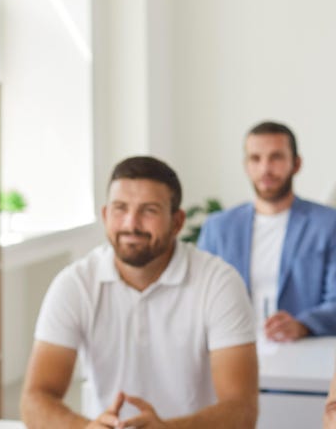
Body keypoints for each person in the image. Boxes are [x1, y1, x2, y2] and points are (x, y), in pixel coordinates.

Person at [21, 156, 258, 429]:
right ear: (105, 215)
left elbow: (242, 409)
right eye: (120, 208)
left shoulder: (219, 283)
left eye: (149, 211)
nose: (131, 224)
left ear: (177, 222)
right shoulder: (74, 284)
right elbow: (35, 399)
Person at [198, 121, 336, 342]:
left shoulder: (328, 224)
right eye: (255, 158)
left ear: (296, 164)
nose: (265, 169)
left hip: (304, 351)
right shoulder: (218, 228)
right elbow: (199, 298)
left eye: (276, 157)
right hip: (231, 349)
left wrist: (303, 324)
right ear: (246, 165)